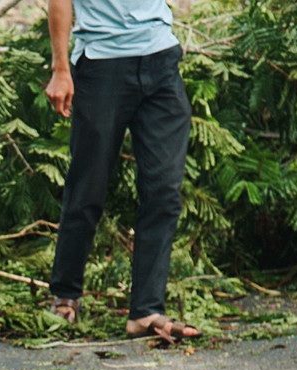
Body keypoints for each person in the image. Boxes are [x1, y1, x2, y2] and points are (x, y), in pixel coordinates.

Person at [44, 0, 198, 343]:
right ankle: (65, 295)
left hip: (161, 58)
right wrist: (60, 68)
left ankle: (145, 310)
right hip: (101, 64)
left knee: (164, 192)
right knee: (88, 188)